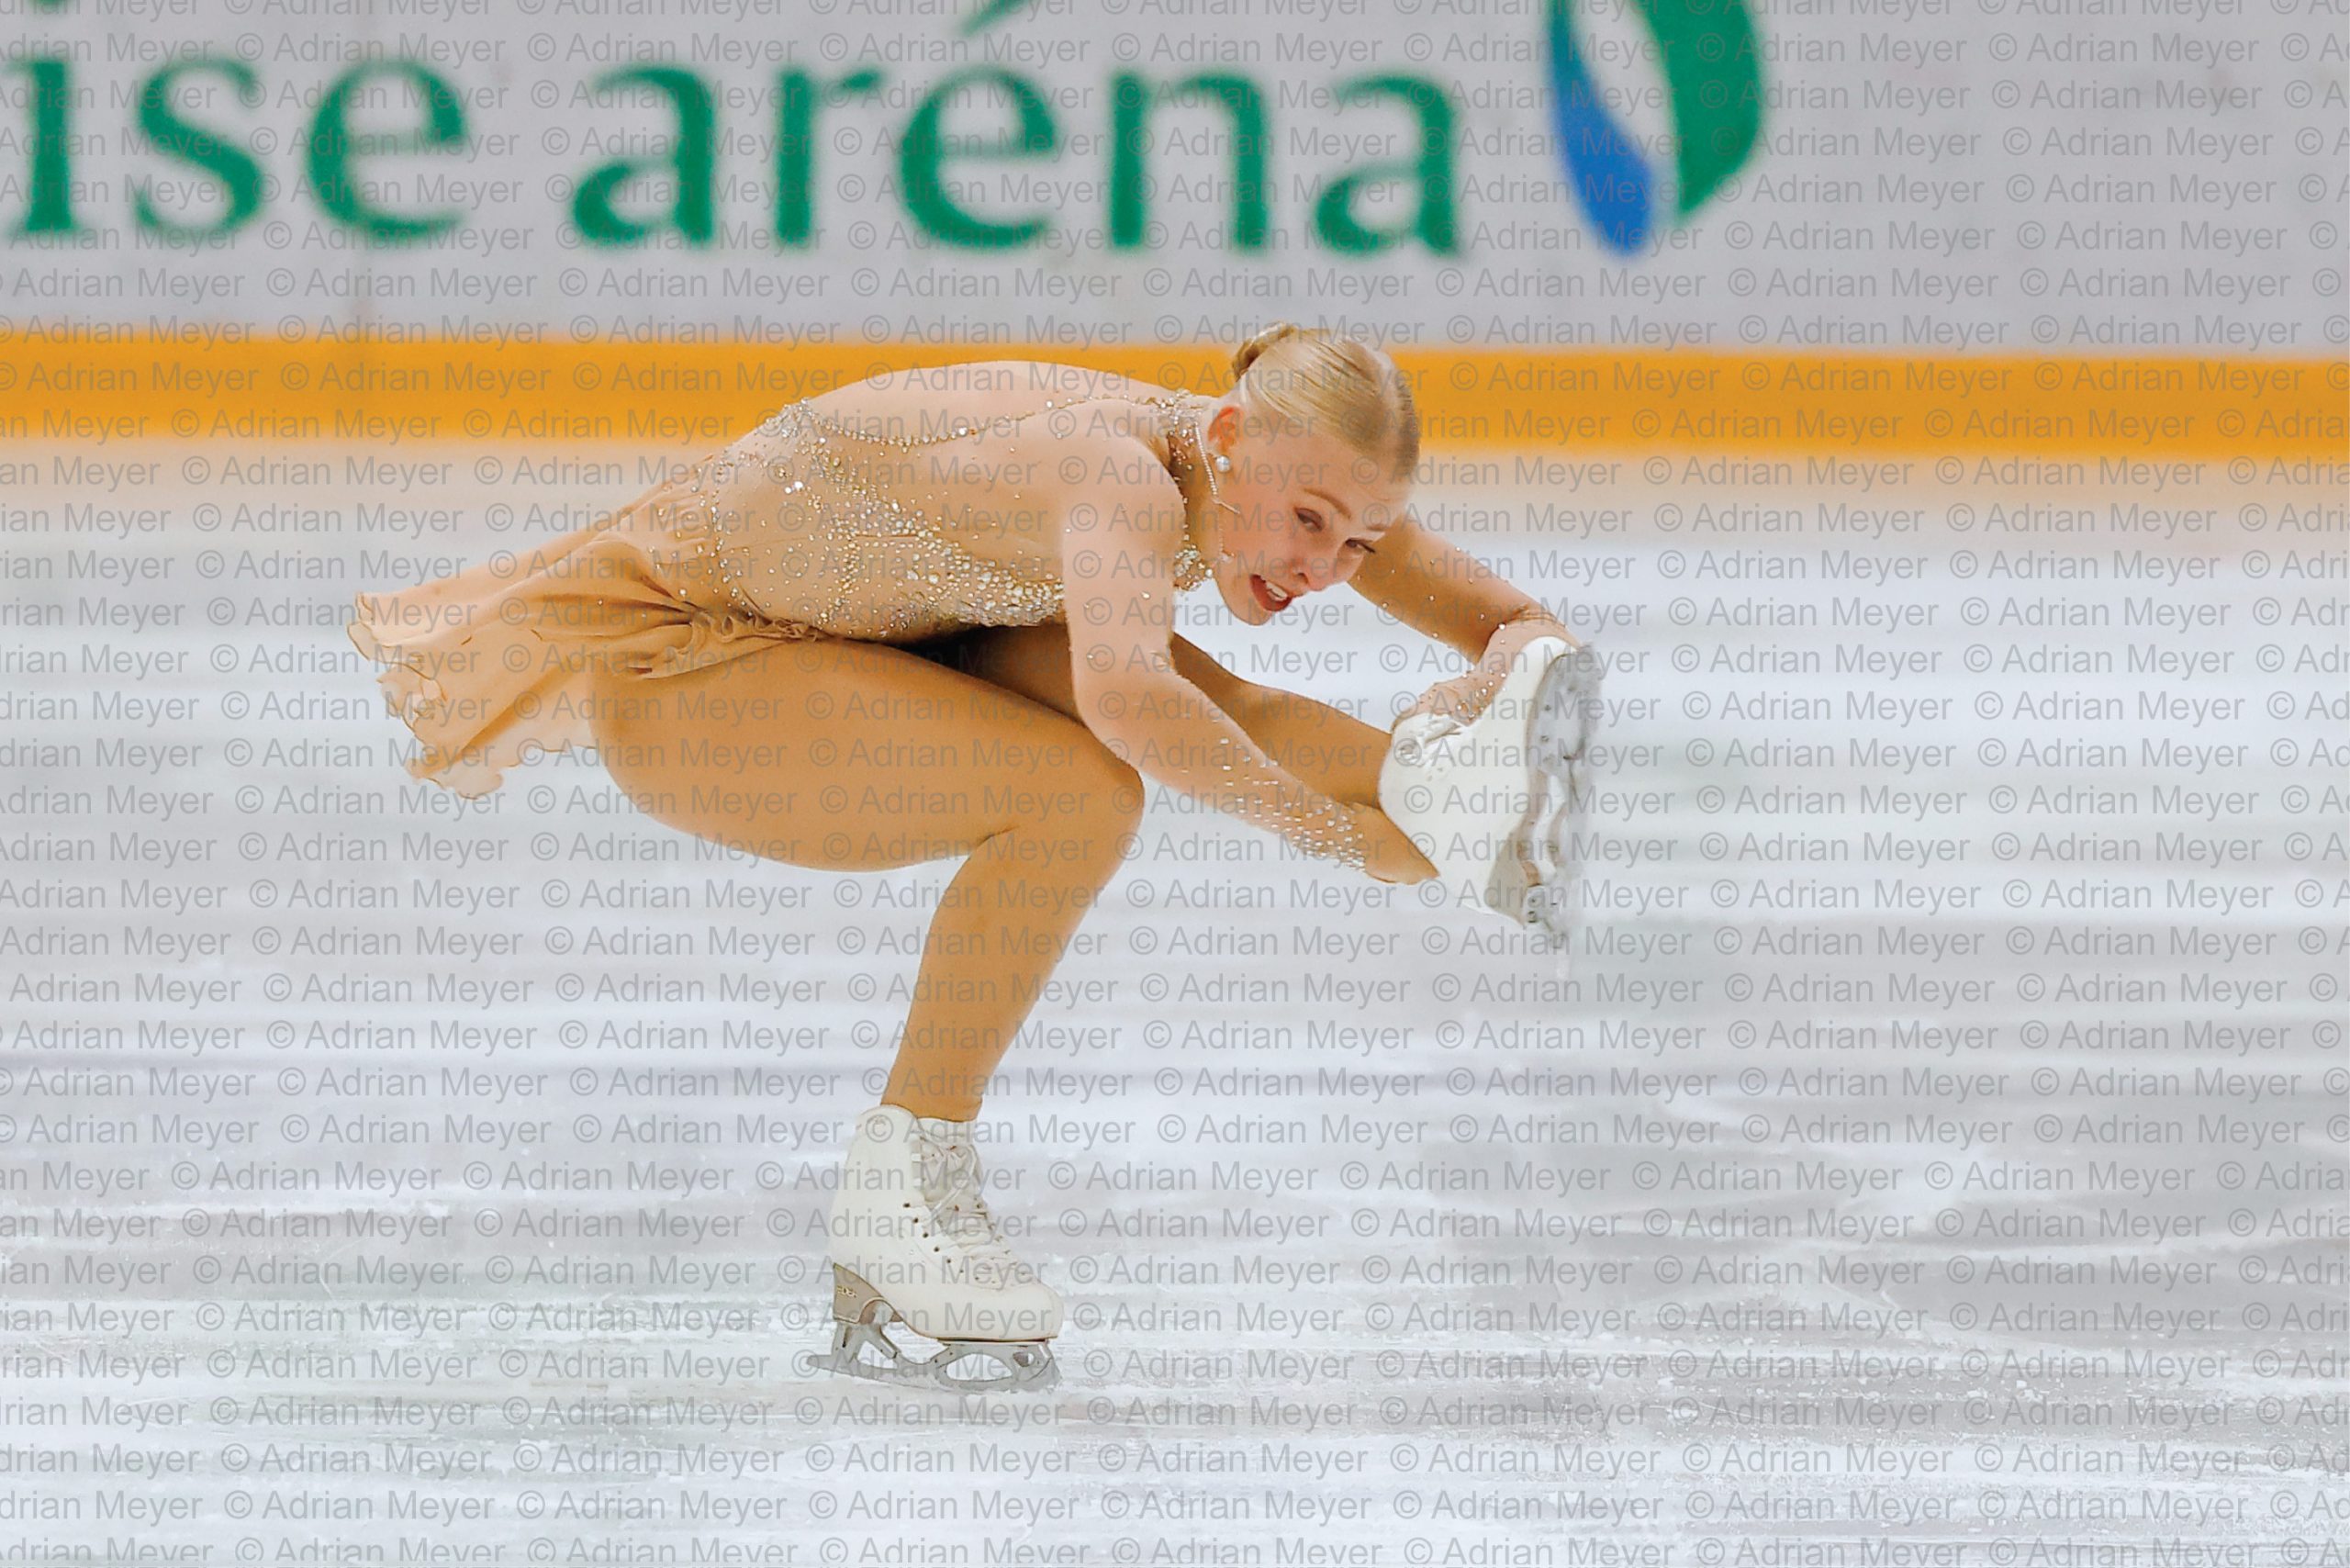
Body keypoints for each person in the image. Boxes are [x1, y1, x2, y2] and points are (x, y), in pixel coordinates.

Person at [348, 321, 1586, 1391]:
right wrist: (1336, 839)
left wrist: (1482, 697)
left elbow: (1532, 641)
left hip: (884, 638)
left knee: (1213, 710)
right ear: (1225, 438)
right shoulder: (1126, 486)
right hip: (693, 670)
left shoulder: (1255, 475)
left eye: (1361, 544)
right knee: (1078, 792)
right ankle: (902, 1187)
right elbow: (1129, 701)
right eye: (1311, 521)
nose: (1326, 566)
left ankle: (1449, 812)